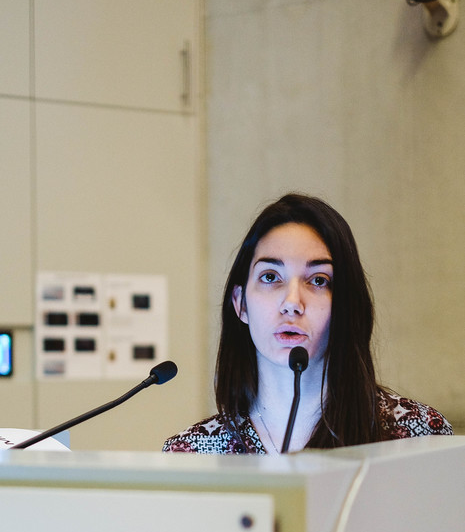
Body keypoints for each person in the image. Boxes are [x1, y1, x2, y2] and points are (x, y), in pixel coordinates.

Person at [163, 192, 452, 454]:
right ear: (241, 304)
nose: (292, 303)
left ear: (347, 305)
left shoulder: (419, 436)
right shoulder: (192, 453)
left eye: (318, 280)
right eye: (270, 277)